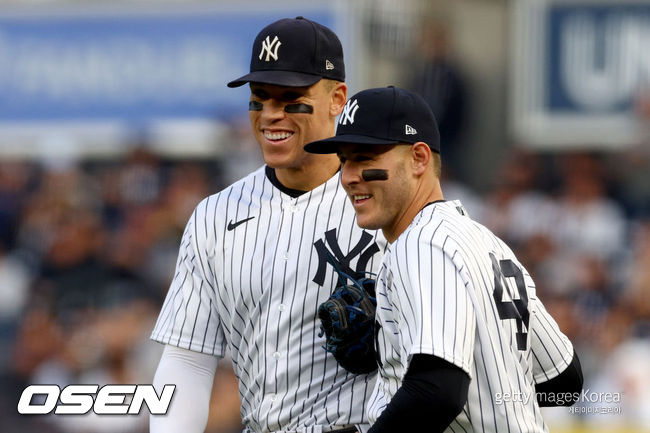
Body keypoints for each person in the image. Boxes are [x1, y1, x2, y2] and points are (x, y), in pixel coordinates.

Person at [149, 17, 386, 433]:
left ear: (338, 99)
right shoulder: (215, 215)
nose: (271, 115)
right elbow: (187, 358)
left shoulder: (386, 207)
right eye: (260, 99)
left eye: (291, 98)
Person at [304, 86, 583, 432]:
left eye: (364, 158)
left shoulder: (422, 244)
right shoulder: (489, 243)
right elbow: (564, 382)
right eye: (343, 160)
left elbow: (438, 390)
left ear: (419, 158)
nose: (347, 177)